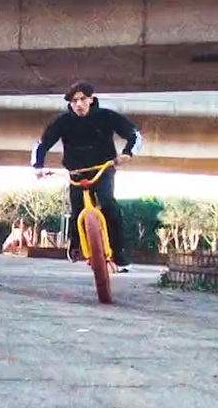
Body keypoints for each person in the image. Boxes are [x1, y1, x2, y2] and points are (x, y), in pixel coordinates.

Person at [33, 81, 142, 271]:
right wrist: (38, 166)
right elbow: (43, 143)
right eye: (74, 101)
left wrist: (127, 153)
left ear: (91, 99)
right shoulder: (63, 121)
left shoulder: (106, 116)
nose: (78, 104)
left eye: (82, 99)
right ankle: (76, 245)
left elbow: (134, 134)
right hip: (76, 172)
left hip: (103, 168)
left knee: (109, 204)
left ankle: (119, 253)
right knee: (77, 209)